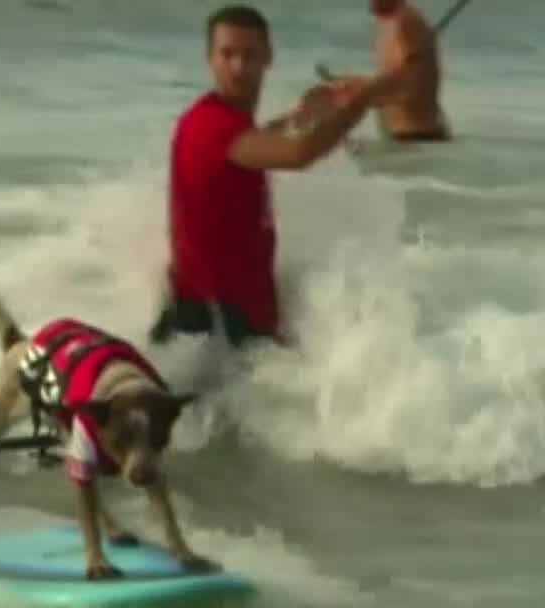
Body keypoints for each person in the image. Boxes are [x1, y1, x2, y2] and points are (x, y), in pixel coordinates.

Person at [149, 5, 407, 349]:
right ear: (210, 58)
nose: (239, 67)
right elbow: (298, 154)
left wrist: (303, 115)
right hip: (217, 330)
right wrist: (361, 101)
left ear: (268, 57)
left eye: (249, 55)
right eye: (227, 55)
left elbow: (257, 143)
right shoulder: (213, 127)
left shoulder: (217, 120)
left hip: (209, 322)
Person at [368, 0, 450, 141]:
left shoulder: (407, 21)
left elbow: (414, 86)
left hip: (419, 138)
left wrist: (364, 97)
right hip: (399, 137)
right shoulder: (390, 22)